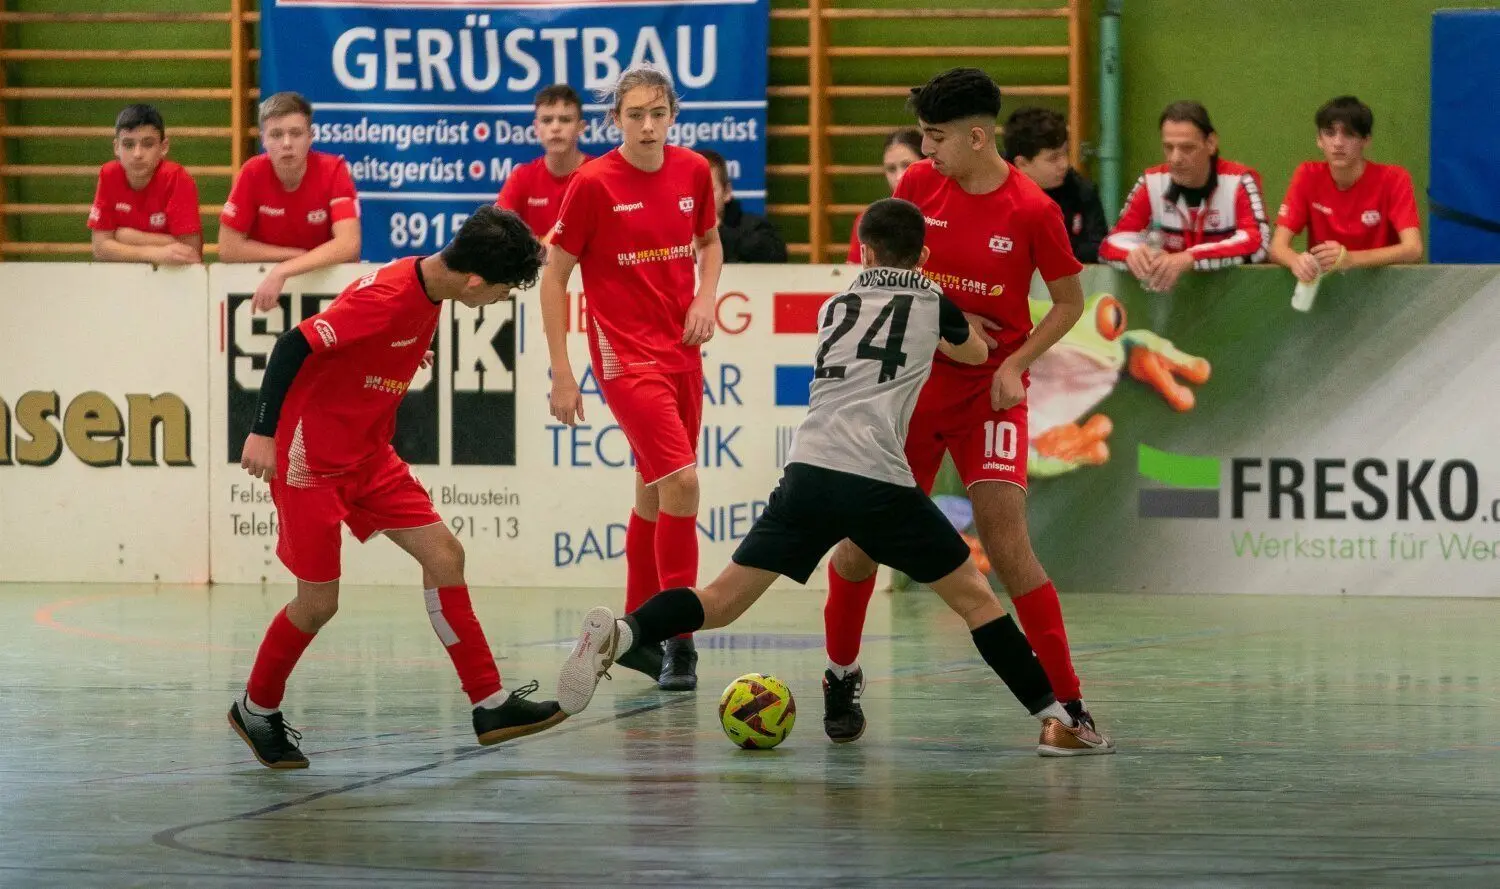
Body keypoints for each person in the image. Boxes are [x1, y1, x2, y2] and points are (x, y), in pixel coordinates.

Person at [555, 198, 1110, 757]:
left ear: (863, 251)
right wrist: (965, 331)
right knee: (976, 600)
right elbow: (972, 354)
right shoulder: (931, 300)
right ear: (924, 254)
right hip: (878, 481)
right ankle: (1061, 720)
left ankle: (623, 632)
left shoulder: (834, 304)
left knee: (719, 600)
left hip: (807, 473)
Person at [824, 67, 1113, 754]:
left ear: (980, 136)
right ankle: (840, 673)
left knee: (1008, 546)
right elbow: (872, 277)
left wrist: (1015, 362)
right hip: (910, 395)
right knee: (860, 543)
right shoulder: (917, 189)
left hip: (989, 396)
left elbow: (1070, 304)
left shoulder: (1033, 211)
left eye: (936, 137)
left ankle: (1070, 706)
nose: (926, 151)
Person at [228, 206, 561, 769]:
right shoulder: (385, 297)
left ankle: (489, 702)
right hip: (310, 458)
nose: (502, 300)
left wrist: (399, 352)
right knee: (318, 604)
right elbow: (292, 346)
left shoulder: (426, 284)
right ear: (475, 280)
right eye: (503, 291)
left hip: (368, 453)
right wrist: (262, 433)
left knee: (445, 556)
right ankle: (256, 709)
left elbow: (363, 341)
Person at [542, 65, 724, 692]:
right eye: (634, 115)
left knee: (653, 489)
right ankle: (680, 642)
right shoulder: (593, 183)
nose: (647, 127)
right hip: (624, 359)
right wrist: (563, 372)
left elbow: (710, 244)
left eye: (657, 113)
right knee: (682, 482)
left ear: (672, 114)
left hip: (682, 352)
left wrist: (705, 299)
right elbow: (553, 276)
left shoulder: (694, 171)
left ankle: (636, 635)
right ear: (614, 119)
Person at [1099, 101, 1270, 293]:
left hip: (1232, 302)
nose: (1175, 158)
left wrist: (1189, 258)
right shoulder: (1151, 182)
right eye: (1168, 147)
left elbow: (1257, 244)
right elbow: (1110, 244)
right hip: (1167, 304)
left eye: (1187, 148)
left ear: (1211, 143)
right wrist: (1131, 254)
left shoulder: (1239, 181)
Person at [219, 91, 362, 313]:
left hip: (327, 289)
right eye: (276, 134)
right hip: (266, 292)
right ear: (263, 139)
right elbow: (228, 248)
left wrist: (283, 270)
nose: (286, 143)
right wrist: (292, 257)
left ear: (311, 136)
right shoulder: (252, 173)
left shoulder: (334, 170)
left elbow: (349, 245)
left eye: (296, 133)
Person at [1270, 96, 1423, 282]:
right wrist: (1296, 261)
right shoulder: (1307, 174)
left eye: (1349, 134)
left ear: (1366, 140)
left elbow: (1413, 249)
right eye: (1329, 133)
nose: (1338, 143)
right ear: (1319, 139)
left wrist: (1350, 259)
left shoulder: (1394, 178)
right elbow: (1277, 247)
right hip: (1326, 291)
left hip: (1381, 289)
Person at [88, 104, 202, 264]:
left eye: (148, 144)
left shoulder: (177, 178)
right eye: (128, 145)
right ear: (116, 148)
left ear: (164, 147)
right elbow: (99, 247)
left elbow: (191, 250)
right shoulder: (109, 174)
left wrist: (126, 237)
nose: (137, 154)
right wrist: (154, 253)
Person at [1003, 106, 1107, 263]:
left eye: (1065, 152)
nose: (1064, 164)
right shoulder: (989, 194)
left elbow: (1098, 248)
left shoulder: (1083, 191)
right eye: (1053, 158)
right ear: (1022, 164)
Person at [496, 83, 592, 239]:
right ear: (536, 127)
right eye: (547, 120)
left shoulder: (600, 175)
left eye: (565, 120)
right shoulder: (522, 177)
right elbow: (496, 232)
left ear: (581, 127)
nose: (555, 127)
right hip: (536, 262)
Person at [846, 128, 924, 263]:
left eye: (907, 166)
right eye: (891, 169)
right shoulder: (867, 221)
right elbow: (853, 274)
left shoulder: (946, 215)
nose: (899, 176)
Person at [699, 148, 787, 263]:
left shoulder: (753, 228)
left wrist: (721, 233)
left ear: (727, 192)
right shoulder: (670, 229)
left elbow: (777, 255)